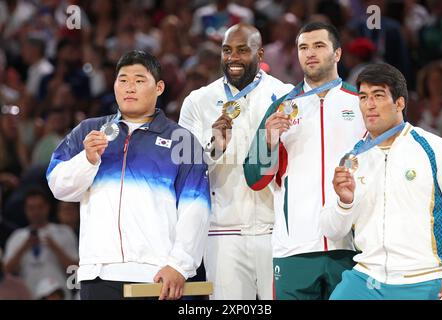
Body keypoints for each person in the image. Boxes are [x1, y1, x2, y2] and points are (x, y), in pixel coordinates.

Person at [46, 50, 210, 300]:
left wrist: (180, 265)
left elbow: (196, 208)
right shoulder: (89, 131)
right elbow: (58, 186)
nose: (129, 87)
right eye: (122, 80)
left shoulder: (182, 140)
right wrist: (87, 160)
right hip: (97, 273)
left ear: (159, 87)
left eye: (139, 80)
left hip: (155, 275)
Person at [243, 22, 367, 300]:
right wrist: (268, 141)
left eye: (319, 46)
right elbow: (254, 178)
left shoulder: (361, 104)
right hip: (294, 249)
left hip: (353, 247)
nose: (310, 53)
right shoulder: (281, 107)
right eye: (303, 47)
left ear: (337, 53)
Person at [179, 23, 293, 300]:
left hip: (275, 228)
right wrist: (214, 146)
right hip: (222, 230)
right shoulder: (198, 101)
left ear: (260, 52)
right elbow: (183, 168)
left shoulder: (286, 97)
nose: (233, 58)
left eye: (243, 50)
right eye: (227, 50)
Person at [321, 63, 442, 300]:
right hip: (366, 278)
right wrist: (344, 202)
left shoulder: (435, 149)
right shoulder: (351, 159)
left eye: (378, 96)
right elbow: (331, 230)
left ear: (400, 102)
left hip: (426, 277)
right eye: (363, 97)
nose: (369, 105)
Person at [3, 188, 78, 299]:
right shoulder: (17, 237)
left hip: (60, 294)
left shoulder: (64, 232)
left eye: (40, 207)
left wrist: (55, 247)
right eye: (31, 208)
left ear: (47, 207)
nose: (36, 212)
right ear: (25, 210)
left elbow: (75, 269)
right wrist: (23, 248)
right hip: (28, 294)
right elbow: (5, 272)